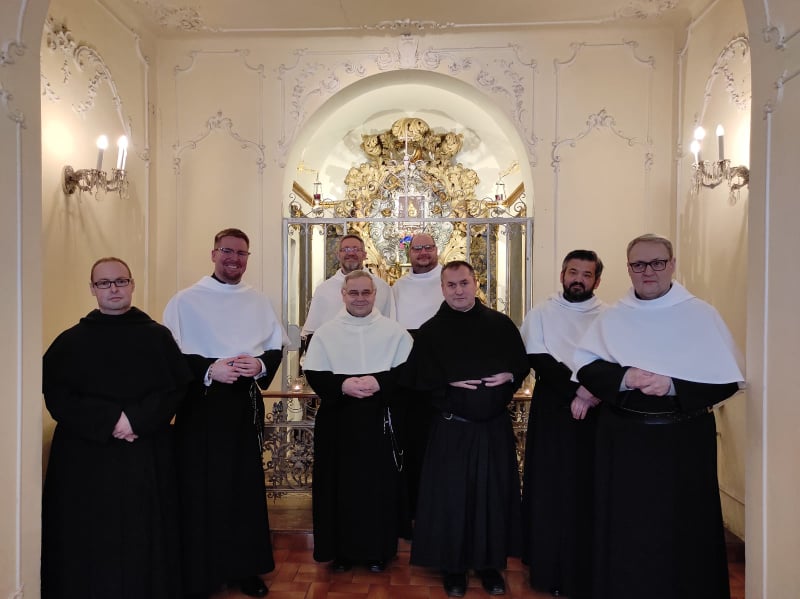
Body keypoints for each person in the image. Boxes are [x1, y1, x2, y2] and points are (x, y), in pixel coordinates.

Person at [574, 233, 744, 599]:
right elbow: (586, 368)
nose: (647, 271)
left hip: (683, 442)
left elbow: (727, 380)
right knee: (626, 529)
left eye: (657, 263)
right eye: (638, 264)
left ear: (672, 265)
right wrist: (626, 377)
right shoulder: (613, 316)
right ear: (628, 269)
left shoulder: (701, 314)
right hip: (624, 442)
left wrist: (673, 386)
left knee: (686, 529)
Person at [42, 257, 192, 598]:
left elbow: (175, 389)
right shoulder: (70, 341)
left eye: (121, 281)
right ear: (92, 289)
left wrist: (134, 420)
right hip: (85, 458)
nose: (113, 289)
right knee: (89, 532)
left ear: (132, 284)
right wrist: (111, 420)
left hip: (144, 452)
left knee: (144, 530)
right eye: (104, 283)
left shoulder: (157, 336)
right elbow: (58, 396)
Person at [163, 228, 286, 599]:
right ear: (213, 253)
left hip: (243, 406)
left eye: (241, 253)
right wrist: (207, 369)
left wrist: (260, 366)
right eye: (227, 251)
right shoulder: (185, 301)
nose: (234, 259)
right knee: (200, 488)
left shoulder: (259, 301)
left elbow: (274, 348)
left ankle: (245, 569)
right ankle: (202, 572)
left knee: (243, 488)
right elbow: (170, 356)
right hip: (201, 406)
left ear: (248, 258)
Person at [403, 261, 529, 597]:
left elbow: (520, 364)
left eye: (464, 283)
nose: (458, 290)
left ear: (475, 283)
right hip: (452, 430)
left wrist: (511, 375)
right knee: (453, 500)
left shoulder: (500, 324)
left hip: (493, 429)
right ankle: (454, 568)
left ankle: (488, 566)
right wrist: (446, 382)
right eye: (451, 285)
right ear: (442, 288)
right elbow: (415, 380)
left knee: (491, 499)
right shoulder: (430, 331)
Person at [304, 270, 413, 573]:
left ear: (375, 294)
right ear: (343, 295)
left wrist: (380, 382)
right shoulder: (326, 332)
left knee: (378, 487)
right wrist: (342, 385)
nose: (360, 298)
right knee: (339, 486)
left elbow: (407, 373)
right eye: (354, 293)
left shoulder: (394, 332)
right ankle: (341, 552)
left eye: (366, 292)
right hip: (338, 422)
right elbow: (314, 374)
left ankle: (379, 551)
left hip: (379, 421)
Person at [518, 249, 606, 598]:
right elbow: (538, 357)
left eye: (586, 274)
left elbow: (614, 361)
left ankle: (587, 569)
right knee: (550, 487)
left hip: (597, 410)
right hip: (553, 408)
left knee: (588, 487)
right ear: (562, 275)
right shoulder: (541, 313)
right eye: (573, 272)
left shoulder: (610, 316)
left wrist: (591, 392)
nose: (578, 280)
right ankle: (549, 568)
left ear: (597, 280)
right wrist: (578, 391)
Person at [390, 232, 444, 517]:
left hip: (441, 375)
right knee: (409, 442)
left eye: (428, 247)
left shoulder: (448, 282)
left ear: (437, 250)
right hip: (408, 376)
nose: (423, 253)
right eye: (417, 248)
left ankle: (437, 508)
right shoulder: (398, 287)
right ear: (409, 253)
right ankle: (410, 509)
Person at [301, 234, 395, 342]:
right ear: (338, 255)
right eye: (345, 249)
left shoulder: (383, 288)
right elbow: (312, 332)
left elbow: (391, 327)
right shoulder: (323, 290)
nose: (351, 253)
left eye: (356, 249)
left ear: (364, 255)